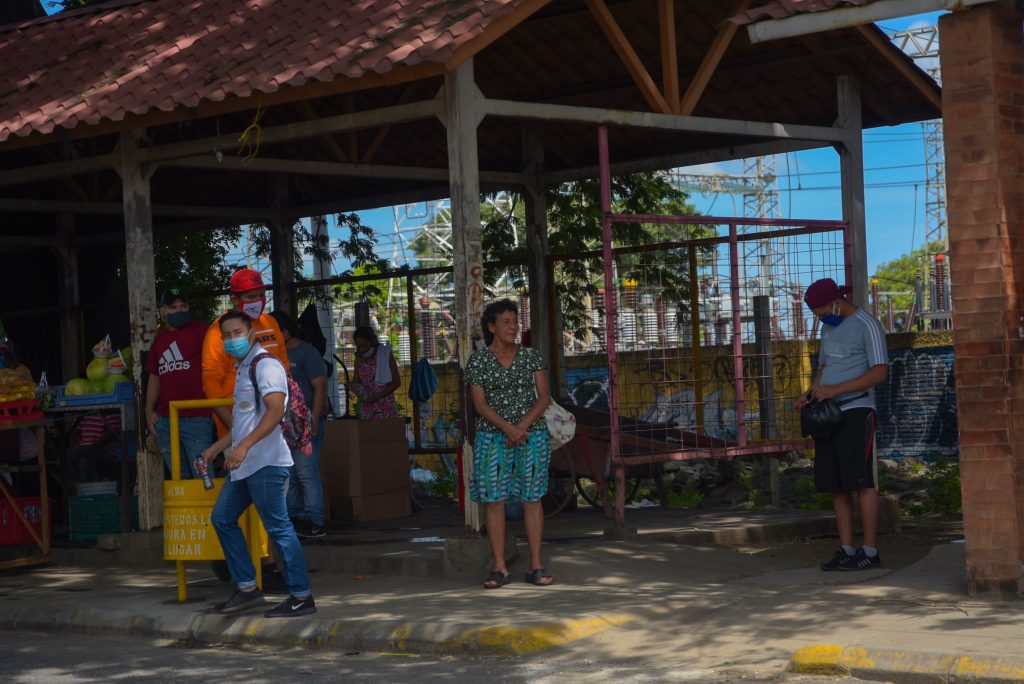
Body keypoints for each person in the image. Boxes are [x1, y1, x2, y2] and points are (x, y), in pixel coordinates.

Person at [201, 310, 315, 617]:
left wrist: (244, 448)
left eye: (237, 332)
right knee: (222, 518)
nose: (231, 339)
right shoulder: (243, 367)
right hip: (245, 464)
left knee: (278, 527)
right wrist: (218, 448)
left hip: (265, 462)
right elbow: (244, 422)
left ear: (251, 333)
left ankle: (301, 596)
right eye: (225, 335)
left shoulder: (265, 365)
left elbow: (275, 410)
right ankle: (248, 588)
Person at [796, 278, 888, 572]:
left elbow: (880, 373)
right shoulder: (828, 327)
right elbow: (825, 367)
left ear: (837, 301)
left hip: (857, 409)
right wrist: (811, 392)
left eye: (822, 311)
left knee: (861, 482)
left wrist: (835, 391)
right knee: (836, 485)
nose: (821, 317)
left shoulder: (867, 325)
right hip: (829, 412)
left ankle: (870, 551)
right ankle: (847, 548)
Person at [466, 299, 553, 589]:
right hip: (493, 438)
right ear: (491, 327)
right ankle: (499, 567)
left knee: (532, 498)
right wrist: (508, 429)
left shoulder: (531, 357)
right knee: (494, 500)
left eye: (515, 322)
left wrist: (521, 428)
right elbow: (479, 404)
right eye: (506, 322)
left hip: (531, 435)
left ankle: (536, 565)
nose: (513, 327)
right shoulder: (478, 361)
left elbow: (543, 398)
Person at [202, 269, 289, 437]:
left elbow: (284, 367)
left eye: (261, 295)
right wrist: (235, 427)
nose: (258, 301)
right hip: (238, 423)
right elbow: (211, 381)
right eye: (251, 297)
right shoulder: (218, 330)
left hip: (275, 424)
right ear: (235, 299)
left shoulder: (270, 322)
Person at [269, 310, 327, 540]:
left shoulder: (306, 352)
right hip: (284, 424)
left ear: (283, 332)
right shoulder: (274, 354)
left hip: (305, 423)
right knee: (290, 474)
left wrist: (312, 420)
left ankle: (314, 520)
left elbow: (320, 387)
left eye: (272, 333)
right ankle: (294, 517)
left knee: (305, 472)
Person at [145, 288, 213, 479]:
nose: (179, 310)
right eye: (173, 307)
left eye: (183, 306)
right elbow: (154, 376)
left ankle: (209, 510)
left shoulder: (201, 331)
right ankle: (186, 510)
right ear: (163, 310)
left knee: (203, 474)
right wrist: (149, 410)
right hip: (166, 419)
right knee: (178, 475)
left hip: (197, 416)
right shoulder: (160, 340)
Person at [349, 326, 400, 420]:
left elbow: (397, 382)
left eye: (364, 346)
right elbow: (356, 382)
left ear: (372, 342)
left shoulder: (384, 355)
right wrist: (353, 387)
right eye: (358, 347)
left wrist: (376, 396)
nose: (361, 350)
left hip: (385, 406)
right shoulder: (358, 359)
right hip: (366, 407)